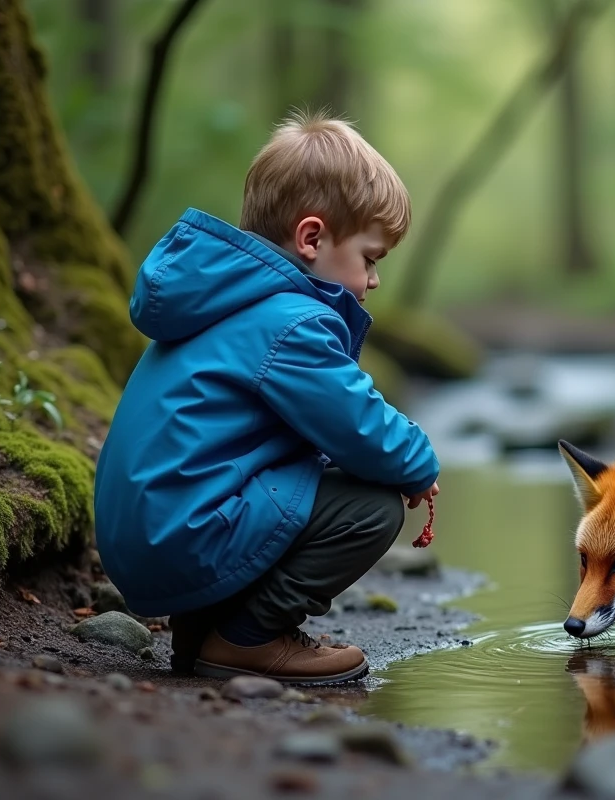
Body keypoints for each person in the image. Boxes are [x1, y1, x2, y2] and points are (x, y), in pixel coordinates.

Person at [93, 110, 440, 685]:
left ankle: (204, 635)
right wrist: (417, 463)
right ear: (312, 238)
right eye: (370, 258)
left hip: (152, 533)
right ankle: (249, 638)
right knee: (371, 507)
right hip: (182, 534)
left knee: (282, 467)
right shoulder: (290, 323)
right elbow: (354, 420)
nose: (374, 279)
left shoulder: (226, 302)